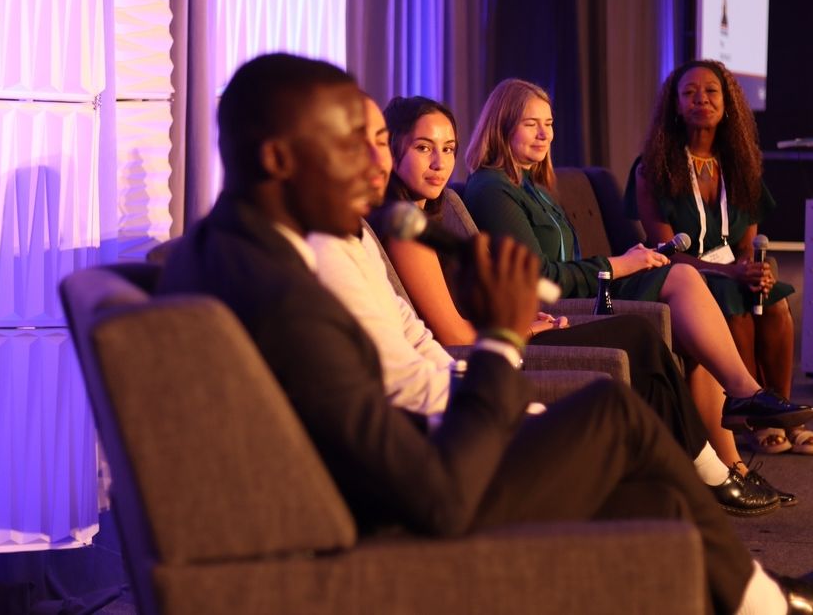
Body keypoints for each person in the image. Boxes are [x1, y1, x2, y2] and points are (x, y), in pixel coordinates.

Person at [156, 52, 812, 613]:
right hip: (395, 525)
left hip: (399, 475)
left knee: (655, 500)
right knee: (611, 415)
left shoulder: (234, 250)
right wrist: (497, 341)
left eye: (380, 142)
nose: (373, 167)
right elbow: (433, 494)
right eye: (348, 146)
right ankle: (764, 600)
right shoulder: (284, 293)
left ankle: (755, 598)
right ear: (277, 158)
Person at [317, 94, 780, 515]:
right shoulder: (403, 231)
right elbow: (451, 336)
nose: (440, 163)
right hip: (488, 356)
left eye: (448, 147)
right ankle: (709, 472)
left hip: (503, 338)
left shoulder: (427, 215)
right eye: (422, 148)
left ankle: (706, 469)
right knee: (638, 335)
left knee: (640, 334)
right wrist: (517, 328)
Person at [460, 78, 811, 477]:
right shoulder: (491, 187)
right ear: (502, 125)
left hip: (584, 287)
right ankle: (744, 398)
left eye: (550, 123)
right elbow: (539, 277)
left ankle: (734, 464)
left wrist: (627, 260)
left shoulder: (531, 184)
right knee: (682, 279)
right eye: (530, 123)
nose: (545, 134)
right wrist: (616, 265)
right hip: (551, 308)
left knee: (693, 315)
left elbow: (565, 260)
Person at [628, 59, 801, 455]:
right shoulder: (651, 168)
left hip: (733, 269)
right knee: (731, 301)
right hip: (685, 273)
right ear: (674, 105)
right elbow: (664, 251)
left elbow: (749, 244)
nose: (700, 99)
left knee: (775, 302)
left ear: (728, 104)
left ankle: (779, 412)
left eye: (710, 91)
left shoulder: (742, 165)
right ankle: (750, 417)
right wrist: (729, 272)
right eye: (688, 93)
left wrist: (757, 271)